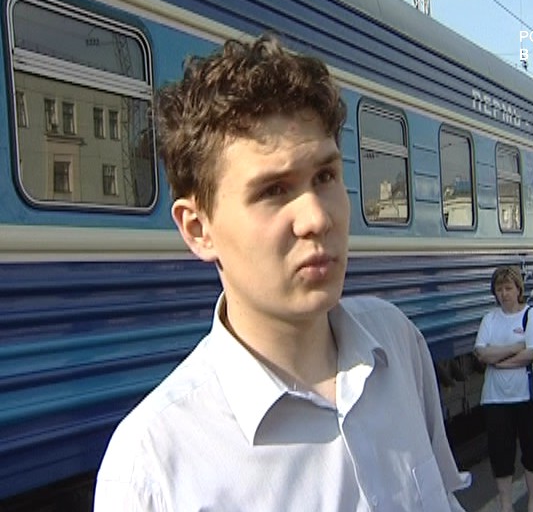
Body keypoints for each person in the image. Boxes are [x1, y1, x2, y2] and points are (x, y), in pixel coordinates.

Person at [93, 33, 471, 512]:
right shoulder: (153, 470)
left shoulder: (396, 344)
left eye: (325, 176)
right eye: (273, 190)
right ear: (198, 229)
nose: (317, 218)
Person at [474, 266, 533, 512]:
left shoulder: (531, 315)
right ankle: (506, 505)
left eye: (508, 288)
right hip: (495, 399)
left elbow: (532, 353)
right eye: (499, 289)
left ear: (518, 290)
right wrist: (516, 347)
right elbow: (482, 353)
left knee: (532, 451)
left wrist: (500, 362)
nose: (504, 293)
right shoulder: (490, 319)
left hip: (527, 396)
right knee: (500, 454)